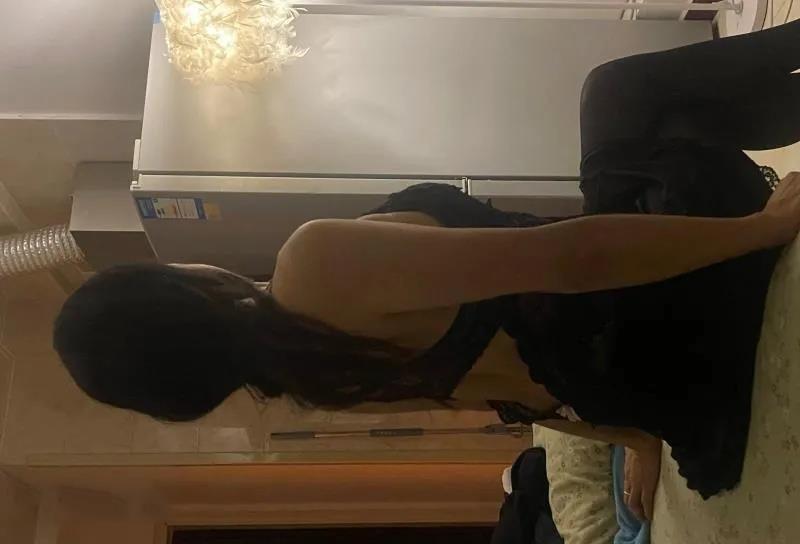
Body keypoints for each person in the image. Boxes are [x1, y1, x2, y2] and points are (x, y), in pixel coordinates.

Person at [54, 20, 800, 515]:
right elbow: (572, 259)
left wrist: (639, 437)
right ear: (179, 287)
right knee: (620, 94)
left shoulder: (311, 377)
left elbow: (517, 397)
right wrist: (756, 232)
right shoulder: (312, 267)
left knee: (649, 134)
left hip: (671, 390)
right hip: (674, 313)